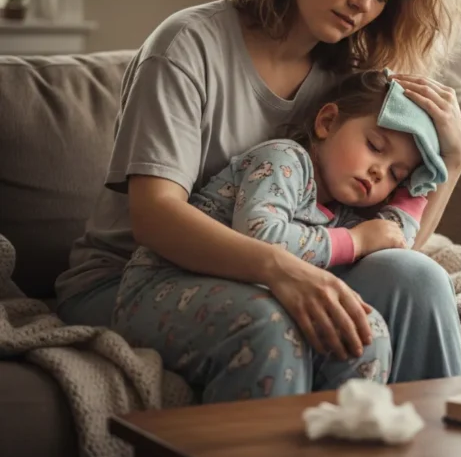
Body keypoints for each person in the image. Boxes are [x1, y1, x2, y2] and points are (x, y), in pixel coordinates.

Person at [55, 0, 461, 403]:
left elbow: (390, 238)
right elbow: (154, 216)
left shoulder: (349, 85)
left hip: (274, 269)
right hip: (129, 278)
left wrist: (453, 161)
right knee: (270, 326)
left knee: (416, 279)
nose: (363, 2)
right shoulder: (187, 46)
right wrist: (281, 270)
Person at [113, 70, 432, 393]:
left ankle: (336, 436)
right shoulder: (284, 160)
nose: (379, 172)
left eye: (396, 174)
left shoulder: (342, 213)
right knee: (272, 326)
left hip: (248, 294)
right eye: (375, 146)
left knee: (367, 332)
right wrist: (356, 240)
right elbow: (262, 236)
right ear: (327, 122)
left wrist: (420, 187)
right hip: (164, 283)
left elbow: (393, 239)